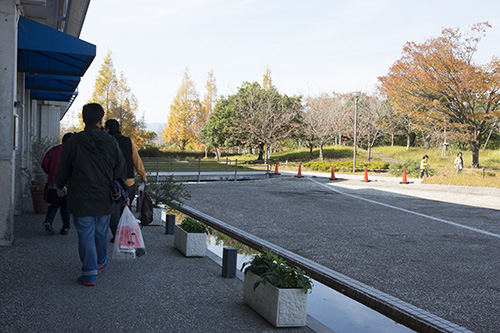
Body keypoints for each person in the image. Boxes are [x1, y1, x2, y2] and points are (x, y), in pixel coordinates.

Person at [55, 103, 127, 286]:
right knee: (101, 231)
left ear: (83, 118)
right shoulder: (111, 142)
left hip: (80, 197)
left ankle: (89, 272)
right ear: (101, 119)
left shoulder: (74, 142)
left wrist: (60, 184)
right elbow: (121, 168)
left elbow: (63, 167)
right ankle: (100, 261)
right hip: (104, 197)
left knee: (85, 233)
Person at [104, 119, 147, 241]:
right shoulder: (128, 141)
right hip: (129, 182)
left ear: (107, 129)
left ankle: (117, 235)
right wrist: (143, 175)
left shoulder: (106, 142)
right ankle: (125, 234)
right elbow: (136, 159)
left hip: (113, 183)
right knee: (125, 209)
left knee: (114, 211)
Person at [41, 133, 74, 235]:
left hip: (53, 183)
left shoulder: (54, 150)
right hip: (68, 184)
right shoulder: (73, 152)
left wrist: (51, 173)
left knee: (54, 205)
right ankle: (65, 227)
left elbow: (44, 164)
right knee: (65, 206)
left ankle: (48, 221)